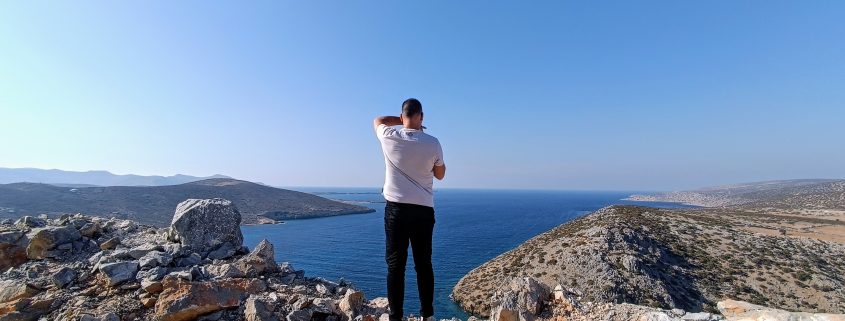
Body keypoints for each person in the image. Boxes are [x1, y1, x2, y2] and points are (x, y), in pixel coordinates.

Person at [373, 98, 446, 321]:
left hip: (395, 211)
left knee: (395, 267)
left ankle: (396, 317)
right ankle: (428, 316)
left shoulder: (388, 136)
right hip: (423, 211)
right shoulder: (433, 143)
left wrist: (403, 120)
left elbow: (378, 120)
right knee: (423, 265)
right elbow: (440, 175)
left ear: (402, 116)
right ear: (421, 116)